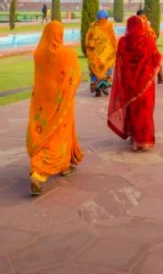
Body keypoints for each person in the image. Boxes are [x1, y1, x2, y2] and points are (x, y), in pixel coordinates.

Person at [26, 21, 83, 196]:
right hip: (61, 101)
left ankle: (65, 165)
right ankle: (39, 173)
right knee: (59, 134)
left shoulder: (38, 54)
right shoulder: (67, 54)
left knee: (44, 133)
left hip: (42, 103)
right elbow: (77, 76)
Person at [108, 15, 163, 151]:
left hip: (128, 83)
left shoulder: (122, 42)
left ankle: (134, 138)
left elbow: (120, 63)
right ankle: (143, 140)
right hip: (146, 84)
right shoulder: (148, 41)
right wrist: (161, 75)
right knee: (145, 111)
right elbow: (157, 59)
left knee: (132, 110)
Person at [85, 10, 117, 97]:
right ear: (106, 17)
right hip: (106, 56)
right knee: (106, 70)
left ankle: (97, 89)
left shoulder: (92, 26)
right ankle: (103, 86)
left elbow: (88, 40)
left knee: (95, 71)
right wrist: (114, 50)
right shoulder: (109, 26)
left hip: (95, 55)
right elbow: (113, 40)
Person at [135, 9, 163, 84]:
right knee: (157, 59)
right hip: (150, 46)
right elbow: (153, 36)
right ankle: (160, 78)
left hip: (140, 47)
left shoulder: (136, 24)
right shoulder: (148, 24)